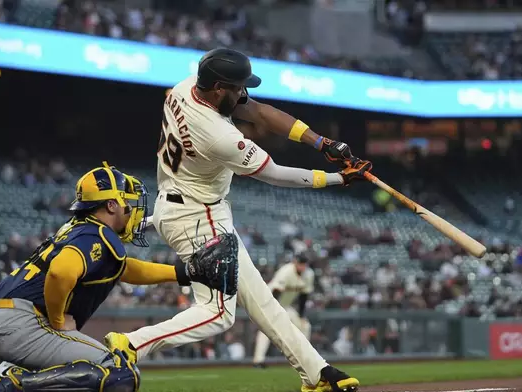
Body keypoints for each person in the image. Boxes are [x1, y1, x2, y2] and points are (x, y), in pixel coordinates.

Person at [104, 47, 372, 392]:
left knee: (262, 301)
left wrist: (323, 143)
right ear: (218, 88)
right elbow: (274, 174)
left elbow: (259, 111)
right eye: (238, 88)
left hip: (181, 203)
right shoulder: (218, 134)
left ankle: (317, 372)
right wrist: (338, 179)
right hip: (199, 217)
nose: (244, 94)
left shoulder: (186, 87)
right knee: (218, 313)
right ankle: (130, 344)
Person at [0, 163, 196, 392]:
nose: (131, 210)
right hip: (18, 323)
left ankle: (9, 373)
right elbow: (61, 271)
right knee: (119, 373)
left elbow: (124, 268)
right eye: (126, 203)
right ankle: (8, 384)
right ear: (111, 205)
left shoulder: (80, 228)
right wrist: (57, 320)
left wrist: (179, 273)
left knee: (73, 374)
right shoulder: (99, 234)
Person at [253, 253, 314, 368]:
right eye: (300, 263)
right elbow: (276, 292)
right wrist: (274, 313)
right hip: (269, 303)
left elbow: (303, 297)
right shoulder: (286, 271)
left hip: (285, 306)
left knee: (304, 326)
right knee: (266, 330)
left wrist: (301, 315)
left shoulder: (309, 274)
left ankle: (304, 359)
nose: (302, 266)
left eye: (304, 264)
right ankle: (258, 361)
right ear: (295, 262)